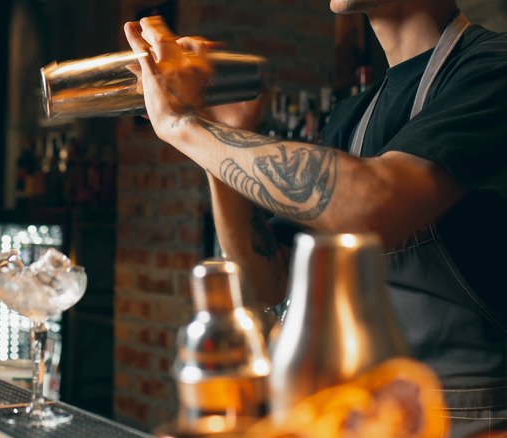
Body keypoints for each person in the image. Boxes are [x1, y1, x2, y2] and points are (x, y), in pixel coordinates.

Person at [124, 0, 507, 436]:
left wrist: (181, 125)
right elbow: (267, 279)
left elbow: (375, 205)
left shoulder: (492, 67)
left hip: (465, 420)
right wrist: (221, 136)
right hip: (359, 414)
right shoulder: (354, 114)